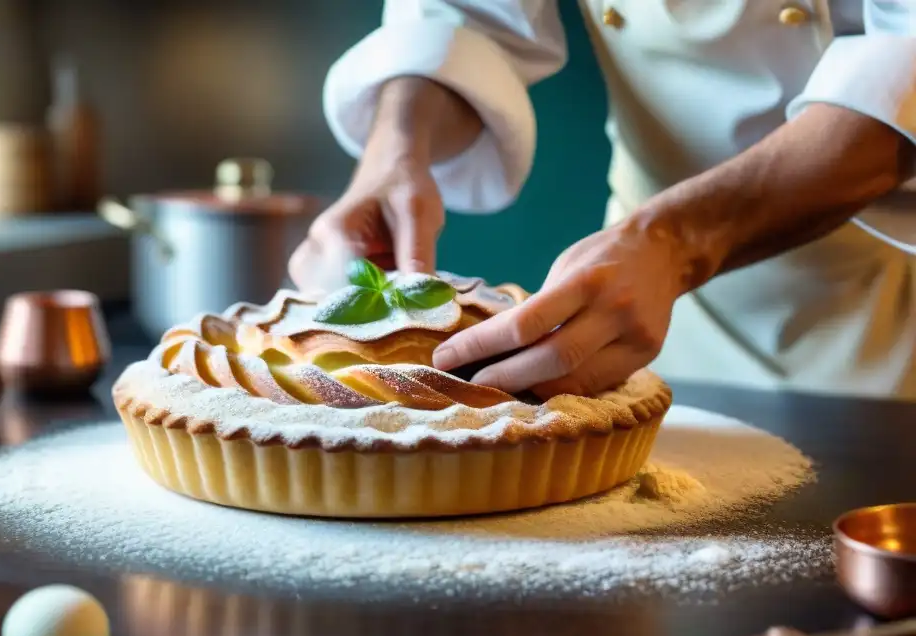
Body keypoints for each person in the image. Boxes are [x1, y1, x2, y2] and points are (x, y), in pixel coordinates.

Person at [289, 1, 916, 401]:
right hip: (632, 308)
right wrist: (396, 149)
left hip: (886, 303)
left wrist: (676, 242)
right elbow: (468, 14)